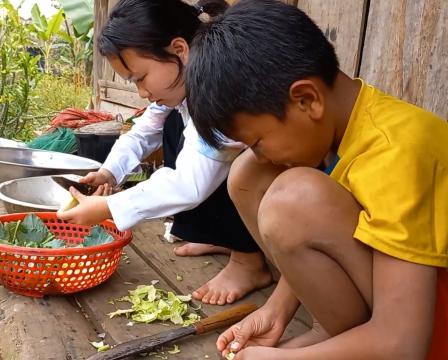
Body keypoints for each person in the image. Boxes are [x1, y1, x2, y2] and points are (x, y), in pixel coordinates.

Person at [185, 0, 448, 358]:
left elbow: (404, 344)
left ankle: (354, 342)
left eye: (258, 141)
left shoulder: (395, 153)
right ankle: (332, 332)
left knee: (291, 201)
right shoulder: (344, 120)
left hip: (426, 329)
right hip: (402, 303)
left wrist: (281, 359)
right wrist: (275, 310)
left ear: (307, 99)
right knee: (248, 174)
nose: (261, 154)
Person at [57, 0, 273, 306]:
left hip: (272, 181)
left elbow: (189, 184)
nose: (142, 93)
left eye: (140, 78)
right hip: (221, 173)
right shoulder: (180, 85)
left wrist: (108, 207)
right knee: (171, 125)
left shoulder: (219, 92)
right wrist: (109, 172)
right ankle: (222, 238)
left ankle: (248, 260)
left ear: (179, 51)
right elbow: (142, 133)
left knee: (223, 164)